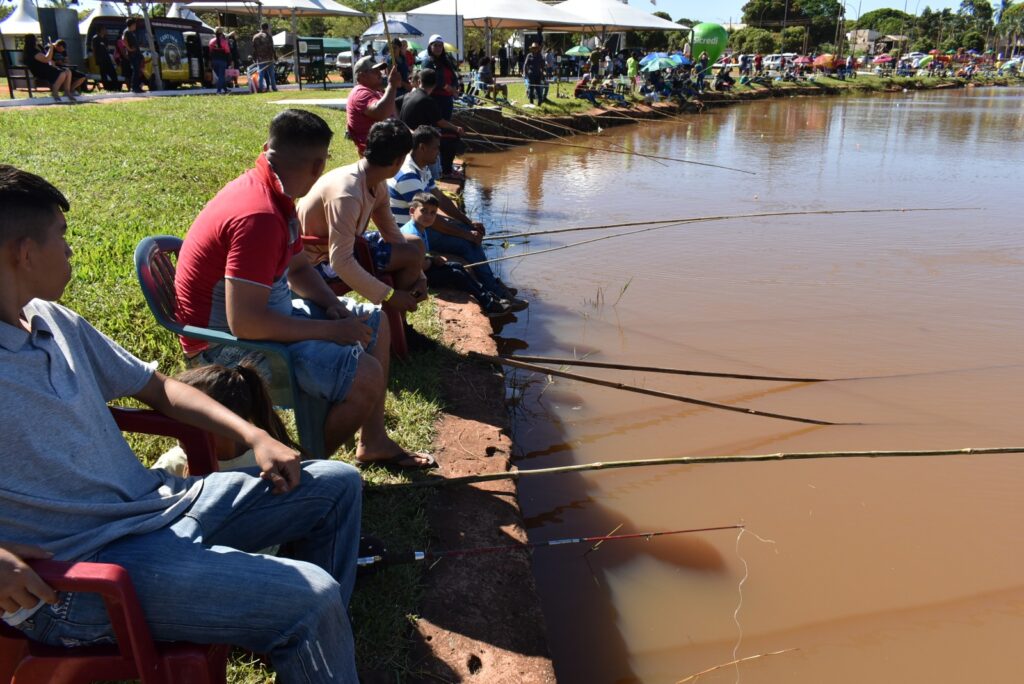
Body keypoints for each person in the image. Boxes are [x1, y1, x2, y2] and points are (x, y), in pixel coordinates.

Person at [0, 163, 363, 682]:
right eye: (62, 237)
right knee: (312, 597)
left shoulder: (54, 320)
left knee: (336, 484)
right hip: (83, 574)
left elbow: (162, 388)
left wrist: (255, 434)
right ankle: (301, 619)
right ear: (24, 252)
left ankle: (303, 638)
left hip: (159, 506)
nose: (70, 250)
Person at [174, 109, 433, 468]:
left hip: (267, 320)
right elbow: (246, 325)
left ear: (268, 148)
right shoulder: (259, 216)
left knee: (375, 321)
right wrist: (332, 330)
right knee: (366, 377)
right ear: (316, 166)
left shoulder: (275, 196)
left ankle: (372, 442)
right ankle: (303, 467)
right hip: (224, 347)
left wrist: (333, 305)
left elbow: (298, 268)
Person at [298, 119, 428, 321]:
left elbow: (392, 233)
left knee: (415, 244)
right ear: (398, 161)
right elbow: (340, 262)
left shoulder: (375, 182)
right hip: (316, 264)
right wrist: (390, 295)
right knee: (411, 254)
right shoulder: (347, 194)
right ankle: (400, 326)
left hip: (340, 246)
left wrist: (421, 277)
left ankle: (399, 324)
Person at [387, 126, 524, 310]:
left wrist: (467, 222)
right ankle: (494, 290)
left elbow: (441, 199)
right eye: (435, 147)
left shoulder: (422, 167)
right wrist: (467, 235)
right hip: (414, 232)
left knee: (468, 232)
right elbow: (430, 218)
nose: (439, 152)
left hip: (423, 225)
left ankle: (493, 285)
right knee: (468, 243)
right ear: (422, 148)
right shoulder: (408, 175)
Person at [152, 359, 300, 476]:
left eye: (191, 421)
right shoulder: (173, 464)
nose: (179, 429)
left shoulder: (267, 463)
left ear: (230, 422)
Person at [400, 193, 511, 316]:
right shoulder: (413, 235)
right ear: (412, 211)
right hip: (417, 277)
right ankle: (488, 303)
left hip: (422, 269)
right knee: (457, 274)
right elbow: (420, 266)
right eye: (424, 211)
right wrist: (433, 260)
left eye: (433, 213)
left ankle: (489, 296)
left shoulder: (420, 227)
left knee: (457, 266)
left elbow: (422, 256)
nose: (428, 216)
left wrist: (432, 258)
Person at [398, 68, 464, 180]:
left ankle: (441, 170)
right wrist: (457, 128)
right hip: (416, 140)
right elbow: (440, 122)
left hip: (405, 134)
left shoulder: (408, 95)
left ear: (419, 82)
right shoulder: (427, 100)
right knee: (451, 136)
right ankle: (442, 173)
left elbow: (394, 103)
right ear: (435, 84)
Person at [420, 35, 461, 173]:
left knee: (445, 131)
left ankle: (444, 163)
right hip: (435, 99)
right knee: (437, 130)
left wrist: (456, 87)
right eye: (435, 45)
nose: (438, 48)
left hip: (447, 100)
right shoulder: (427, 62)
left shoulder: (446, 60)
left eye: (440, 45)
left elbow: (453, 77)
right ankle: (437, 165)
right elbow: (434, 80)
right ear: (430, 46)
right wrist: (449, 88)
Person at [346, 55, 401, 155]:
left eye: (379, 71)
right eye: (375, 71)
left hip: (387, 147)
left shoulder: (377, 93)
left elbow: (395, 117)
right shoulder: (360, 93)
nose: (380, 74)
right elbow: (381, 113)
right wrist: (392, 86)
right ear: (362, 75)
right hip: (376, 153)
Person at [20, 35, 73, 102]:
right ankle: (55, 92)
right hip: (40, 71)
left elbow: (48, 60)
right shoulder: (32, 51)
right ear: (33, 41)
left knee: (68, 72)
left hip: (46, 69)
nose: (38, 41)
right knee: (62, 74)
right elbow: (46, 59)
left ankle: (67, 91)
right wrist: (51, 48)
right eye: (36, 39)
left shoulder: (37, 48)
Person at [90, 26, 120, 91]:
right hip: (101, 59)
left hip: (107, 58)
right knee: (103, 74)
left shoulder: (105, 39)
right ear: (100, 30)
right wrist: (96, 59)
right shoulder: (95, 38)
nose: (105, 31)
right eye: (104, 29)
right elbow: (94, 49)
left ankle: (115, 87)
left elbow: (107, 48)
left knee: (112, 72)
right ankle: (107, 87)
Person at [251, 23, 278, 92]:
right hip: (269, 58)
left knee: (261, 74)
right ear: (267, 28)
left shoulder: (255, 36)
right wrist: (275, 56)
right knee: (271, 74)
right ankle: (274, 88)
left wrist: (254, 58)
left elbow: (254, 49)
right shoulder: (268, 36)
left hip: (260, 59)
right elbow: (271, 47)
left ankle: (260, 88)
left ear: (261, 27)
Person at [123, 17, 144, 93]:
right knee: (136, 70)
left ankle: (137, 86)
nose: (135, 26)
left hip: (137, 54)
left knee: (138, 70)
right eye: (134, 24)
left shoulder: (132, 32)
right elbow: (124, 41)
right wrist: (129, 49)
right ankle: (134, 87)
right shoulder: (127, 32)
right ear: (131, 25)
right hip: (133, 55)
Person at [209, 27, 232, 94]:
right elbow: (228, 52)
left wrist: (210, 62)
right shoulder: (224, 42)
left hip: (214, 60)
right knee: (221, 76)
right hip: (222, 60)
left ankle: (225, 89)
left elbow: (210, 52)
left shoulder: (211, 41)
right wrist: (229, 61)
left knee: (220, 76)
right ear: (221, 34)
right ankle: (218, 91)